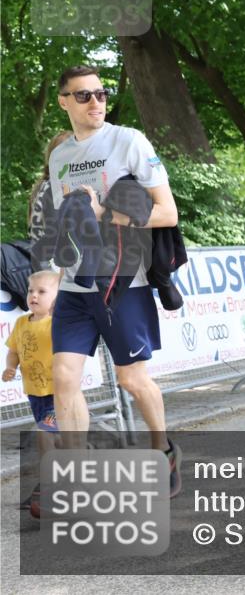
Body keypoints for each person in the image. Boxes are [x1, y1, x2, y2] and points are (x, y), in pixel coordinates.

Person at [46, 65, 180, 494]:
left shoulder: (128, 141)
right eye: (83, 96)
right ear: (64, 101)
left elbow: (168, 213)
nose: (96, 103)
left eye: (101, 94)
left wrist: (104, 213)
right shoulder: (59, 156)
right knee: (63, 376)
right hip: (75, 284)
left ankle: (164, 453)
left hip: (123, 281)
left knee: (132, 380)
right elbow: (61, 220)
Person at [4, 270, 61, 517]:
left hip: (55, 394)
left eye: (41, 292)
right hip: (35, 394)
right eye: (30, 291)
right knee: (51, 440)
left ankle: (50, 489)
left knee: (45, 436)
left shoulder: (56, 322)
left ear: (56, 298)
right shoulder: (21, 323)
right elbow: (13, 350)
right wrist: (10, 366)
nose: (33, 296)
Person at [28, 131, 73, 261]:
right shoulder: (57, 188)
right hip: (54, 267)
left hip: (42, 263)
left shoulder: (44, 185)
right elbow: (54, 235)